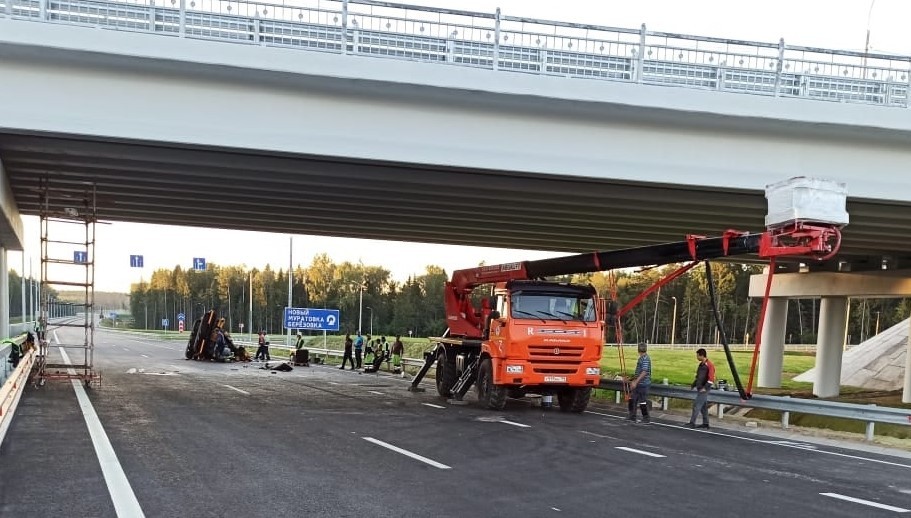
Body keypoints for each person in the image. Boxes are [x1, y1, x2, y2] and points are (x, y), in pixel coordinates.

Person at [687, 348, 712, 429]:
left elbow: (711, 379)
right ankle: (706, 423)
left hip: (703, 389)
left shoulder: (709, 365)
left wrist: (705, 388)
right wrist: (693, 384)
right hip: (700, 388)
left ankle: (692, 422)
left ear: (701, 355)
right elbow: (698, 377)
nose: (696, 357)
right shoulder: (701, 365)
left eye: (697, 355)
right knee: (703, 407)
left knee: (696, 405)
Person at [627, 342, 652, 424]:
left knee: (642, 401)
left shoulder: (645, 359)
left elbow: (644, 372)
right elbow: (639, 372)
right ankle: (632, 416)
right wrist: (632, 379)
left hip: (643, 384)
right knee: (632, 399)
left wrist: (635, 382)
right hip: (639, 383)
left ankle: (646, 418)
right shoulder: (642, 358)